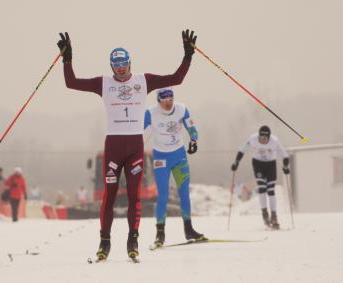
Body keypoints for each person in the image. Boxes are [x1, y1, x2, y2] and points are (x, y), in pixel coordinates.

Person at [57, 29, 197, 260]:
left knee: (134, 196)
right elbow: (71, 82)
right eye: (116, 65)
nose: (121, 68)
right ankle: (105, 243)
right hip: (113, 146)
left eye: (124, 64)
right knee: (109, 196)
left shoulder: (144, 80)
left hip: (134, 148)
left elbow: (176, 79)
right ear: (112, 66)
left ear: (130, 64)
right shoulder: (103, 83)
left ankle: (133, 240)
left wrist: (187, 56)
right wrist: (68, 58)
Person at [144, 88, 207, 247]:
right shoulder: (150, 113)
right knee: (163, 195)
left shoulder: (181, 109)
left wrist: (194, 140)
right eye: (165, 101)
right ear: (158, 101)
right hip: (161, 158)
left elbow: (191, 127)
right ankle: (160, 234)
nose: (168, 103)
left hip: (179, 156)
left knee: (184, 193)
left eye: (170, 100)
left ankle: (189, 230)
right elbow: (137, 132)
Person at [231, 125, 290, 229]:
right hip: (258, 164)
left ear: (269, 137)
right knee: (262, 188)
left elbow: (284, 155)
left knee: (271, 190)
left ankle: (274, 215)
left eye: (265, 139)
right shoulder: (253, 138)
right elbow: (242, 150)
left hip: (271, 164)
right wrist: (236, 162)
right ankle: (265, 213)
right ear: (258, 136)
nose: (262, 140)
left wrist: (285, 166)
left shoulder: (274, 141)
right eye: (261, 138)